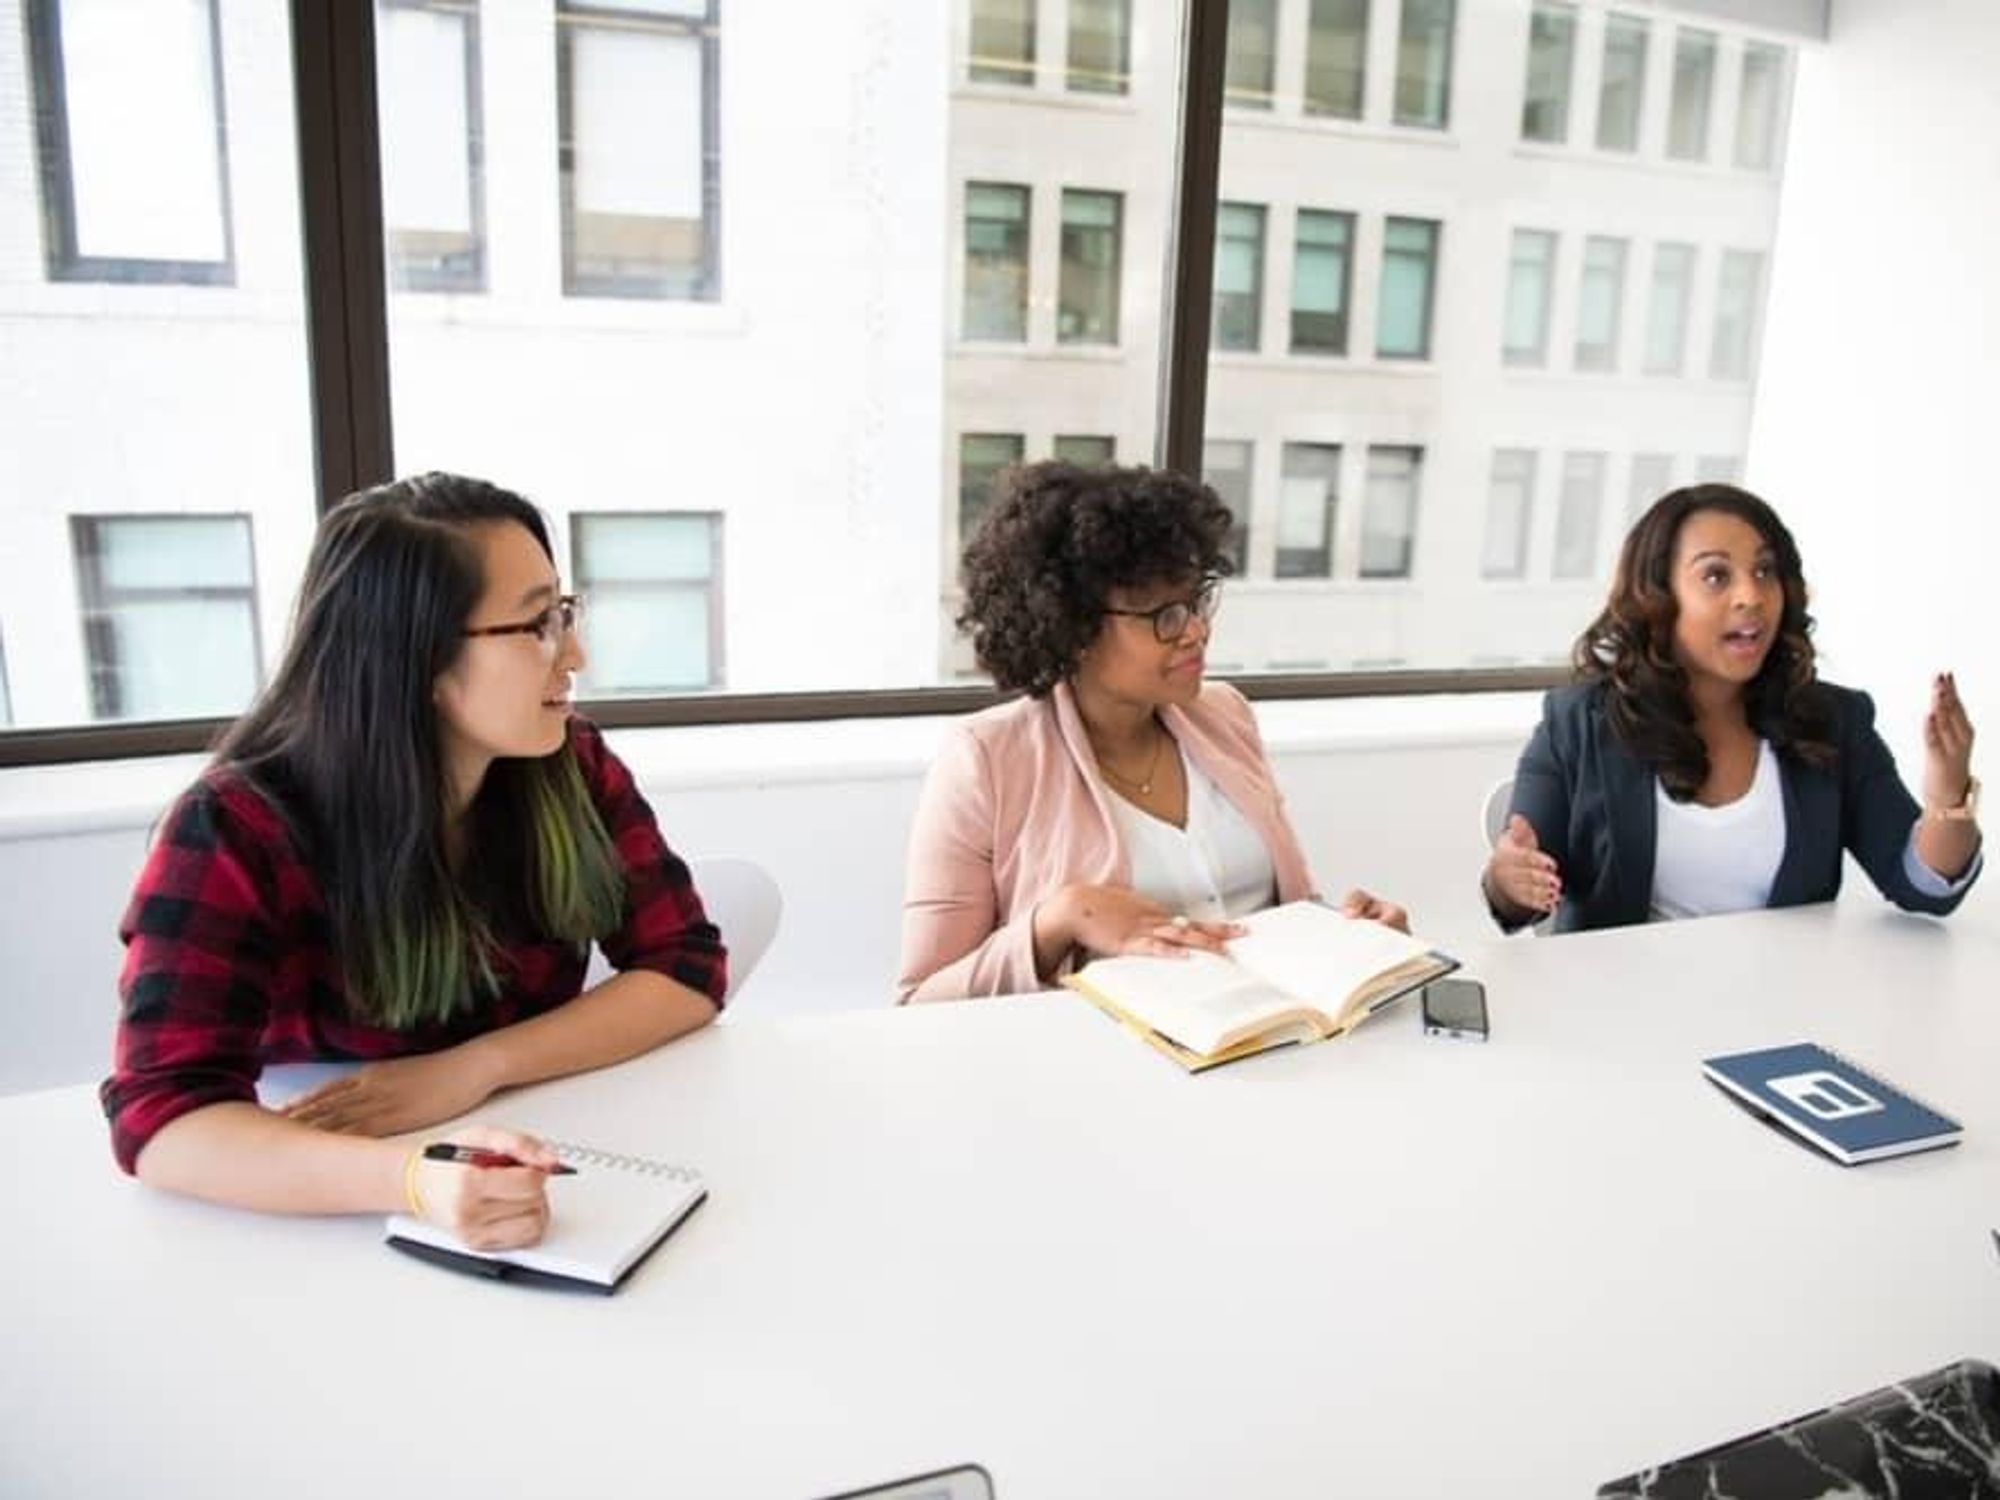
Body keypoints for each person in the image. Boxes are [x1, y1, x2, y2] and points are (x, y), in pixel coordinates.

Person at [104, 473, 727, 1249]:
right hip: (312, 1204)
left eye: (563, 613)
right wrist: (411, 1179)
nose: (575, 654)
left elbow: (686, 968)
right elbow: (165, 1119)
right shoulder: (236, 826)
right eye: (536, 625)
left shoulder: (572, 762)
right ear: (420, 660)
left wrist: (477, 1066)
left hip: (547, 1153)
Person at [898, 460, 1407, 1003]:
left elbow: (1277, 919)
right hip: (1106, 1069)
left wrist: (1354, 938)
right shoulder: (986, 760)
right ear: (1073, 628)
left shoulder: (1225, 716)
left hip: (1269, 1045)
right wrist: (1058, 920)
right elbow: (920, 998)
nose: (1195, 631)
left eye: (1196, 601)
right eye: (1162, 615)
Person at [1483, 483, 1980, 933]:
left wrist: (1948, 791)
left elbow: (1921, 887)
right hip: (1623, 1010)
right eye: (1717, 576)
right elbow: (1519, 893)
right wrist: (1508, 879)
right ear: (1659, 598)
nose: (1752, 596)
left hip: (1780, 1007)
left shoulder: (1832, 720)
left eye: (1765, 571)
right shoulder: (1577, 722)